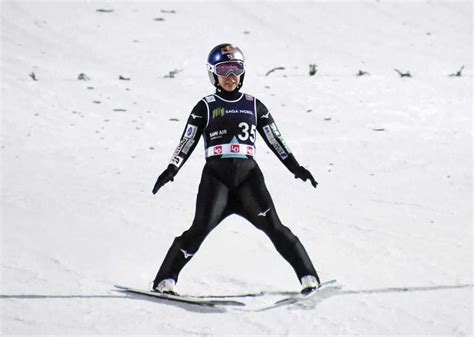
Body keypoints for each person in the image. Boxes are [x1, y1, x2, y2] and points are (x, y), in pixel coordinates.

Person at [152, 43, 321, 295]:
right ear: (213, 74)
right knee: (198, 230)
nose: (230, 77)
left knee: (276, 228)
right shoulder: (205, 106)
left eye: (236, 70)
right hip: (216, 180)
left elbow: (276, 140)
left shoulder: (254, 105)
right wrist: (171, 169)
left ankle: (309, 278)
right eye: (224, 71)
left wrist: (296, 168)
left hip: (248, 180)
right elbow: (187, 140)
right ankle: (164, 281)